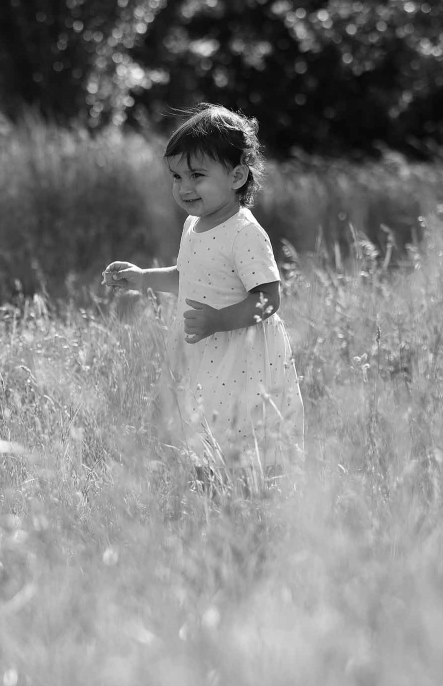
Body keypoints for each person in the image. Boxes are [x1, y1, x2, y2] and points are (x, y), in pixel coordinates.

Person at [103, 104, 303, 485]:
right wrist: (143, 278)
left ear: (237, 175)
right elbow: (187, 276)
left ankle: (252, 494)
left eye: (197, 175)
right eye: (176, 176)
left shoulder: (244, 232)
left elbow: (269, 298)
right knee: (202, 422)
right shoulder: (194, 223)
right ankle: (210, 492)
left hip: (241, 351)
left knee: (240, 427)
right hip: (205, 347)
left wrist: (218, 320)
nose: (184, 187)